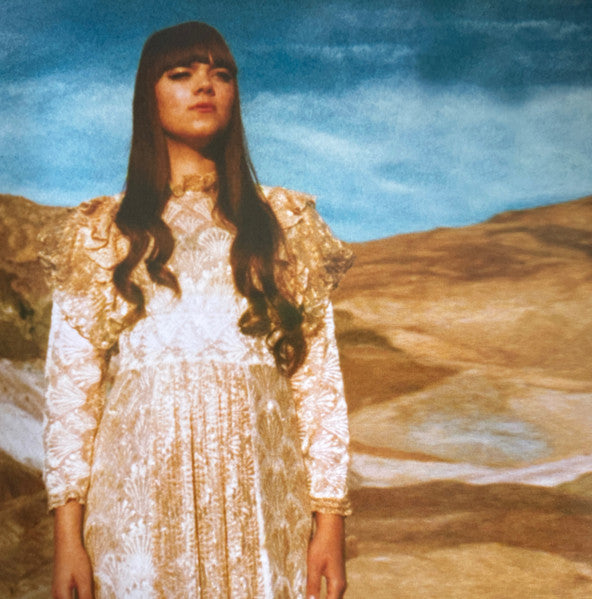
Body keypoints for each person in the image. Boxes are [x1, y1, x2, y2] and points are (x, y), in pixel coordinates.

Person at [42, 21, 353, 599]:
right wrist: (68, 541)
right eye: (181, 73)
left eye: (221, 74)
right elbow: (69, 398)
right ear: (149, 95)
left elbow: (319, 387)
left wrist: (328, 527)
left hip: (263, 520)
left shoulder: (283, 228)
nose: (204, 86)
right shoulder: (102, 236)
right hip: (137, 523)